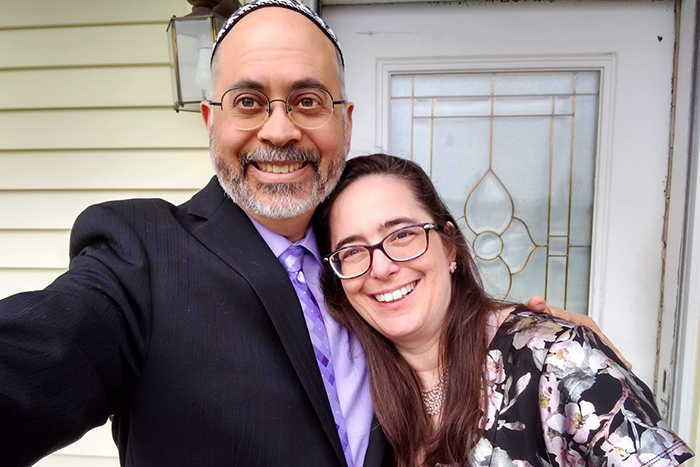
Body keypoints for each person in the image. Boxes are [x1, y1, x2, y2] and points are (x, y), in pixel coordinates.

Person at [0, 2, 624, 466]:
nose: (279, 130)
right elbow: (41, 357)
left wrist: (540, 344)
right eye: (249, 101)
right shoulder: (142, 256)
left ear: (344, 123)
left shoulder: (361, 265)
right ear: (210, 121)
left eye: (307, 100)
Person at [316, 154, 693, 467]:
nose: (381, 267)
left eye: (402, 235)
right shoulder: (353, 385)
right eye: (352, 252)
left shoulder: (557, 360)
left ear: (449, 248)